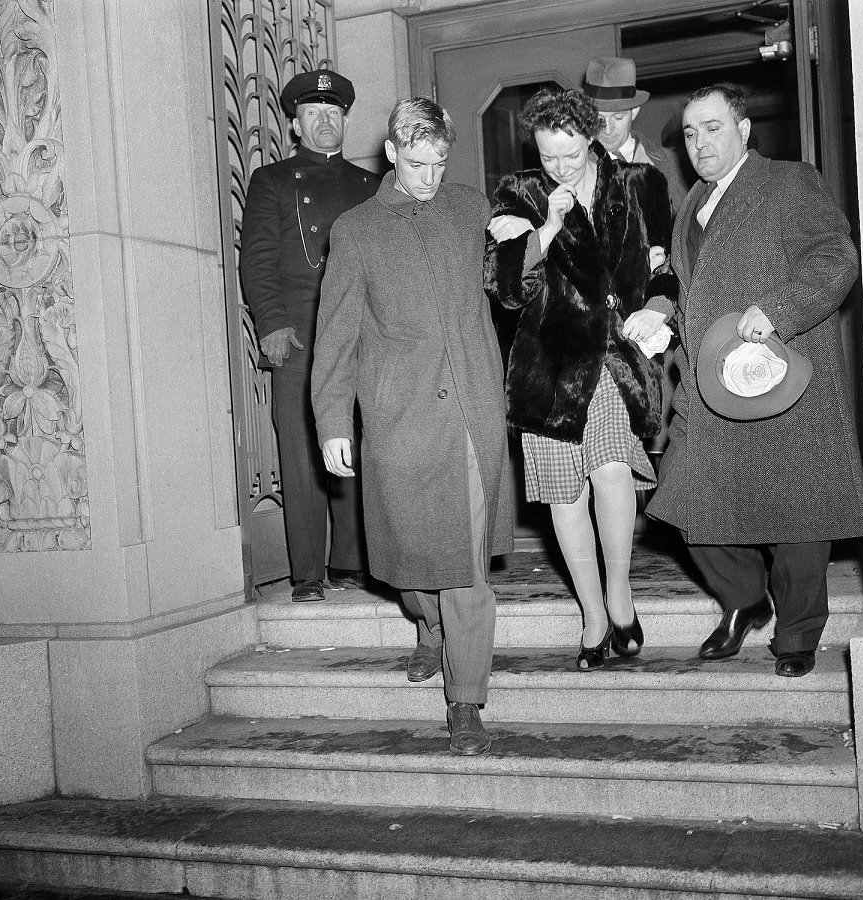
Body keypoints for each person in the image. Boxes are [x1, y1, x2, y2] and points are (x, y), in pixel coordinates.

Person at [622, 83, 863, 677]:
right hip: (712, 385)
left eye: (712, 127)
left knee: (797, 513)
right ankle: (744, 600)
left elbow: (836, 258)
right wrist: (662, 319)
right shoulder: (690, 205)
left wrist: (779, 309)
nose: (700, 142)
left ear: (743, 129)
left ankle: (798, 634)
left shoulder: (787, 182)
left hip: (784, 379)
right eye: (690, 132)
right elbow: (696, 289)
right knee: (682, 498)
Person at [313, 98, 514, 756]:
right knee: (408, 565)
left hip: (470, 413)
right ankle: (426, 627)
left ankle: (467, 702)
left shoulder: (470, 208)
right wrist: (332, 419)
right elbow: (336, 334)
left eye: (441, 162)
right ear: (393, 152)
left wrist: (536, 240)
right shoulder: (356, 229)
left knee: (465, 570)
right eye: (419, 163)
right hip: (400, 415)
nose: (431, 176)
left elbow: (511, 287)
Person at [484, 88, 674, 671]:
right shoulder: (520, 193)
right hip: (550, 364)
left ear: (591, 136)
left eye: (570, 154)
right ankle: (592, 615)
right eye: (548, 157)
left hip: (615, 359)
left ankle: (620, 596)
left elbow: (668, 269)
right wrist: (547, 226)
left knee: (614, 470)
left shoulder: (641, 183)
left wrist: (659, 307)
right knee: (566, 496)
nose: (560, 167)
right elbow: (505, 287)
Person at [239, 67, 377, 603]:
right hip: (299, 331)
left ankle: (349, 559)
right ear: (295, 124)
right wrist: (271, 323)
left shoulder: (370, 186)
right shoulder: (272, 181)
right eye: (314, 114)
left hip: (360, 332)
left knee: (356, 443)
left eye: (334, 113)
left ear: (345, 120)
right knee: (300, 451)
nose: (326, 122)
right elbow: (258, 259)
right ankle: (306, 572)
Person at [583, 56, 689, 214]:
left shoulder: (674, 164)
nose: (608, 129)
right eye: (599, 119)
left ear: (634, 112)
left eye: (618, 117)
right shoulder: (577, 168)